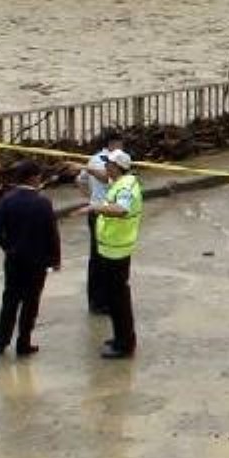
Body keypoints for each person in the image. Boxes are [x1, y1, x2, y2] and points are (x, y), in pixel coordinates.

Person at [0, 161, 61, 357]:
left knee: (10, 300)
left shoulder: (7, 201)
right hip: (37, 262)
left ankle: (1, 341)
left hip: (14, 261)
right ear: (33, 178)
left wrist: (7, 247)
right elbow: (52, 234)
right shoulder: (43, 203)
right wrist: (55, 259)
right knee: (31, 304)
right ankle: (24, 343)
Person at [82, 151, 141, 360]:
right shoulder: (122, 181)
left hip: (116, 250)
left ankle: (123, 343)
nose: (106, 167)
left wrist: (96, 207)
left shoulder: (124, 186)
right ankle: (120, 338)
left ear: (118, 167)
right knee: (116, 297)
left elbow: (122, 209)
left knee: (118, 300)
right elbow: (101, 177)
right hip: (112, 248)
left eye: (109, 165)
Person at [74, 132, 123, 315]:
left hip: (111, 212)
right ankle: (98, 301)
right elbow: (100, 178)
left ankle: (106, 298)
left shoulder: (116, 160)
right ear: (111, 144)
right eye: (120, 144)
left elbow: (81, 180)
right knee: (99, 257)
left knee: (110, 256)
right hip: (100, 214)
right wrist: (91, 199)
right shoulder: (97, 160)